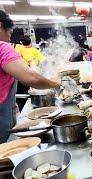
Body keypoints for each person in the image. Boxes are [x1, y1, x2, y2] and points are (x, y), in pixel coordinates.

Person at [0, 10, 60, 142]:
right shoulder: (3, 47)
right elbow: (31, 78)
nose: (10, 38)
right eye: (9, 32)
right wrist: (57, 84)